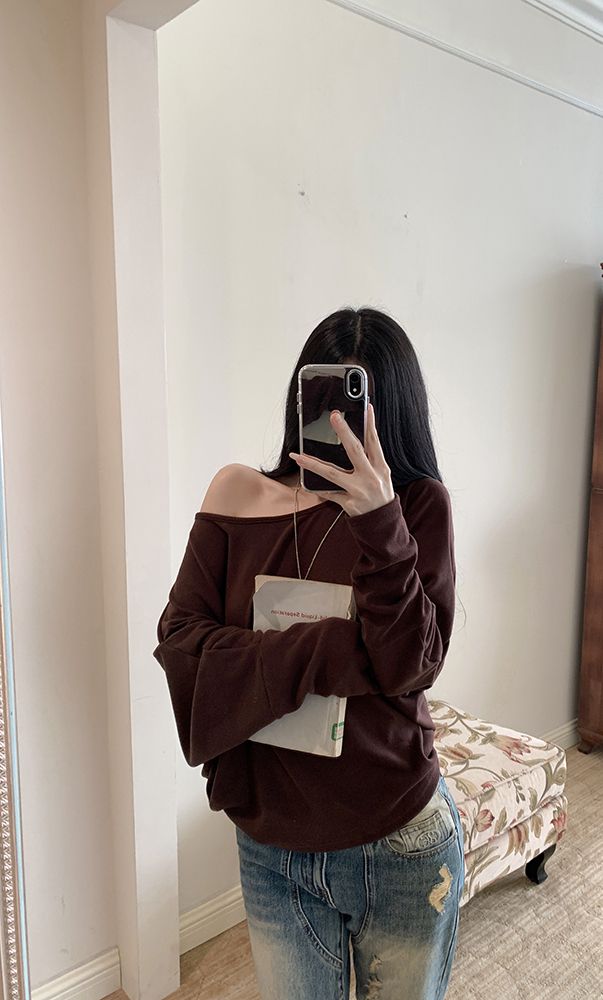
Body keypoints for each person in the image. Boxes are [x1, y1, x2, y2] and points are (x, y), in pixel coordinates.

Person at [154, 307, 463, 1000]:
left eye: (360, 406)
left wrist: (380, 523)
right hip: (271, 847)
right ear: (302, 393)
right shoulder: (236, 493)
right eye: (325, 399)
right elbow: (181, 646)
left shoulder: (417, 507)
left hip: (398, 840)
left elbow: (412, 666)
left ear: (394, 414)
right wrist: (333, 650)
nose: (340, 424)